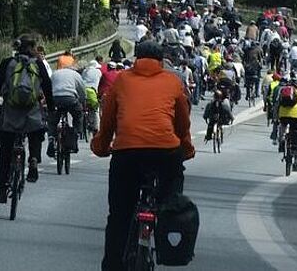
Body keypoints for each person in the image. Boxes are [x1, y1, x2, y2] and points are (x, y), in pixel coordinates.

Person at [91, 41, 194, 271]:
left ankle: (112, 266)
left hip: (127, 154)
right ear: (161, 60)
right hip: (166, 153)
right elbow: (182, 123)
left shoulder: (122, 80)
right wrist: (186, 148)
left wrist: (100, 146)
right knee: (171, 204)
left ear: (136, 57)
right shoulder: (173, 82)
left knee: (119, 216)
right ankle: (167, 219)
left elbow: (107, 122)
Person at [0, 35, 53, 203]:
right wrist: (51, 108)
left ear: (18, 47)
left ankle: (2, 190)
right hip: (31, 110)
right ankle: (33, 159)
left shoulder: (8, 62)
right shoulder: (38, 64)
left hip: (11, 110)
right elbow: (47, 85)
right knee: (36, 132)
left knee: (5, 150)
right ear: (33, 47)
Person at [47, 65, 87, 157]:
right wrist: (82, 101)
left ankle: (51, 138)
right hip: (70, 99)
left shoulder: (54, 73)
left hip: (55, 98)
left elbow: (48, 87)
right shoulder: (76, 75)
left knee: (52, 120)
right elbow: (82, 91)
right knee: (78, 115)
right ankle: (76, 134)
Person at [275, 79, 297, 171]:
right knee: (296, 137)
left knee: (282, 127)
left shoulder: (283, 91)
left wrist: (276, 117)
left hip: (283, 115)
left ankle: (282, 141)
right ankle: (295, 161)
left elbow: (277, 104)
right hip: (295, 117)